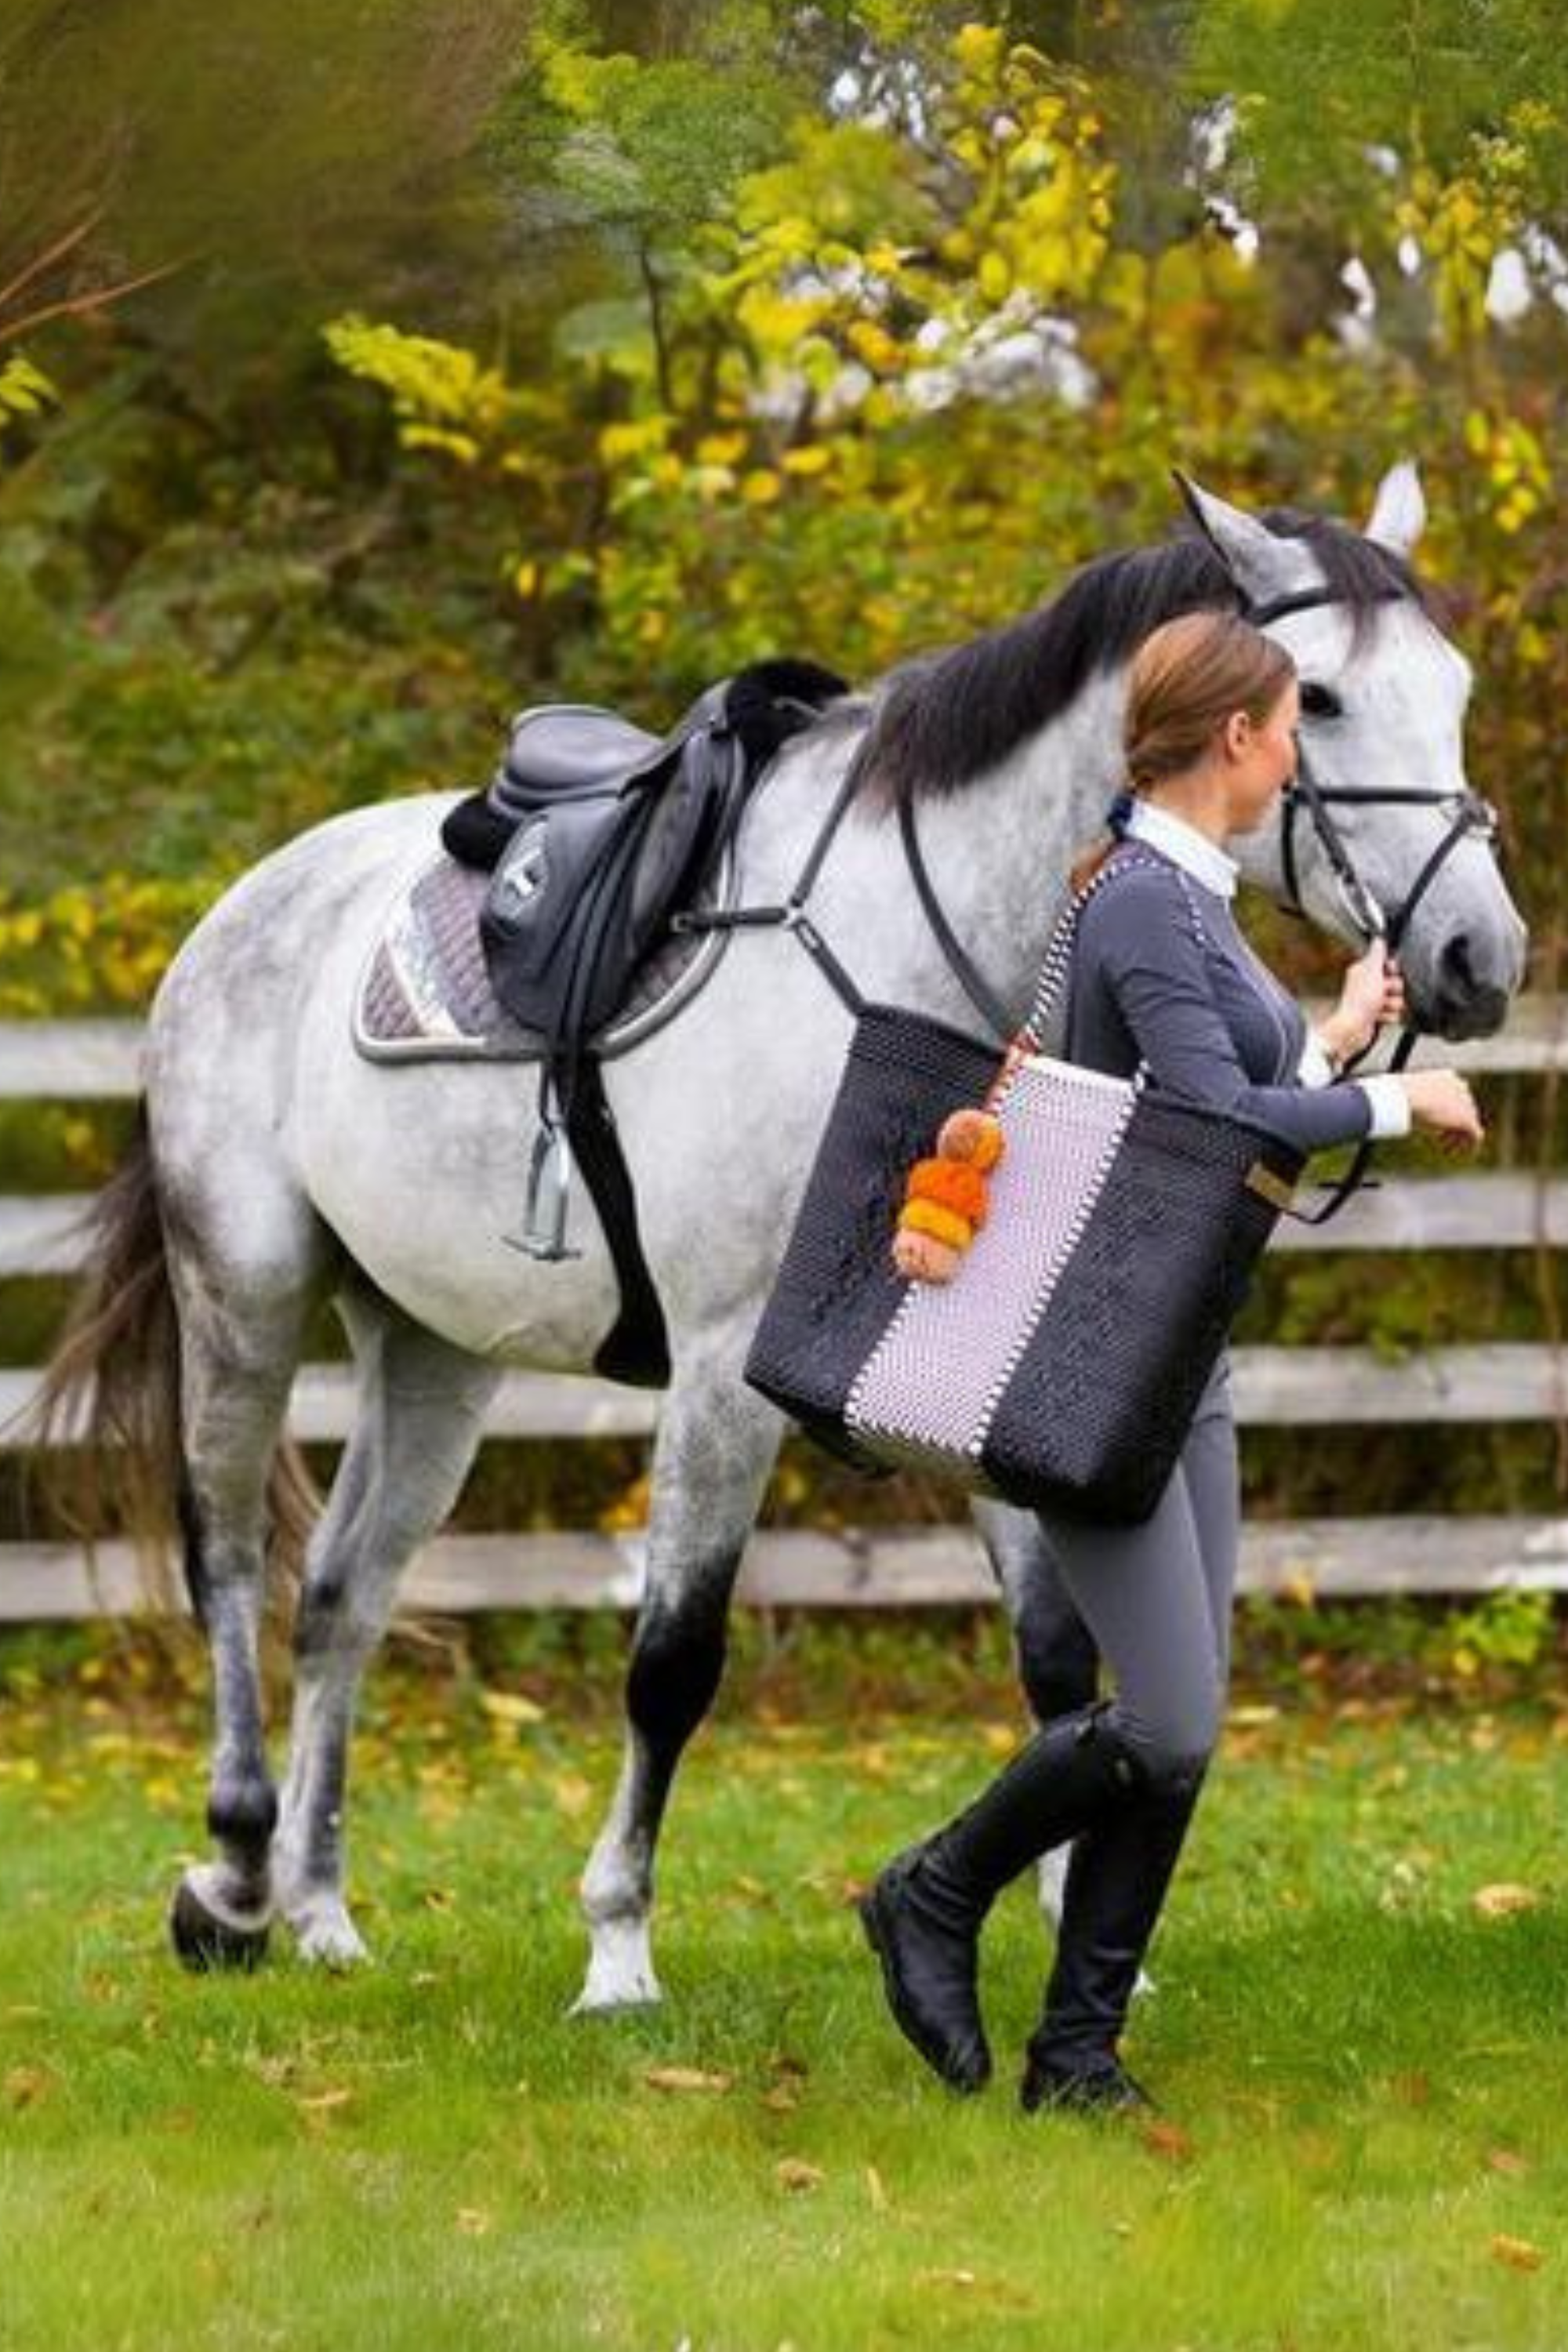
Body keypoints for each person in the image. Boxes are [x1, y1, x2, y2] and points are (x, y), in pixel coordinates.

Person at [858, 608, 1486, 2115]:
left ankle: (1077, 2059)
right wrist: (1403, 1107)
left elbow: (1215, 1099)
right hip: (1096, 1360)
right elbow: (1213, 1126)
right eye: (1287, 732)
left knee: (1179, 1732)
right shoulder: (1146, 901)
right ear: (1237, 741)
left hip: (1177, 1354)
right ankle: (933, 1893)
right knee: (1167, 1716)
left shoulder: (1186, 904)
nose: (1292, 762)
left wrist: (1329, 1044)